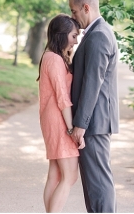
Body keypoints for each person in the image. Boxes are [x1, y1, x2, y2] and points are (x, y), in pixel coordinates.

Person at [69, 0, 119, 213]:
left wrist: (80, 124)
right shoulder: (97, 32)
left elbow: (92, 82)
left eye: (74, 11)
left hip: (94, 122)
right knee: (93, 184)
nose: (72, 17)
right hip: (95, 121)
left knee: (98, 183)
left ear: (86, 8)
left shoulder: (99, 35)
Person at [38, 13, 84, 213]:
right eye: (73, 36)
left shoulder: (51, 57)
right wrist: (72, 129)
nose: (76, 41)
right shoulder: (54, 59)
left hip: (53, 119)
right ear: (61, 34)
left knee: (55, 175)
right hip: (59, 121)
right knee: (69, 176)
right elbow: (62, 97)